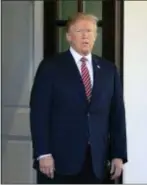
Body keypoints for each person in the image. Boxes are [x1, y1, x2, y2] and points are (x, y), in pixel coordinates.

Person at [29, 12, 127, 184]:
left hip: (97, 161)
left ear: (95, 36)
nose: (85, 35)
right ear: (69, 36)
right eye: (80, 30)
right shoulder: (50, 67)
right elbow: (39, 113)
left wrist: (118, 154)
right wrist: (43, 153)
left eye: (90, 31)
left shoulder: (108, 70)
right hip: (58, 161)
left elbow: (117, 114)